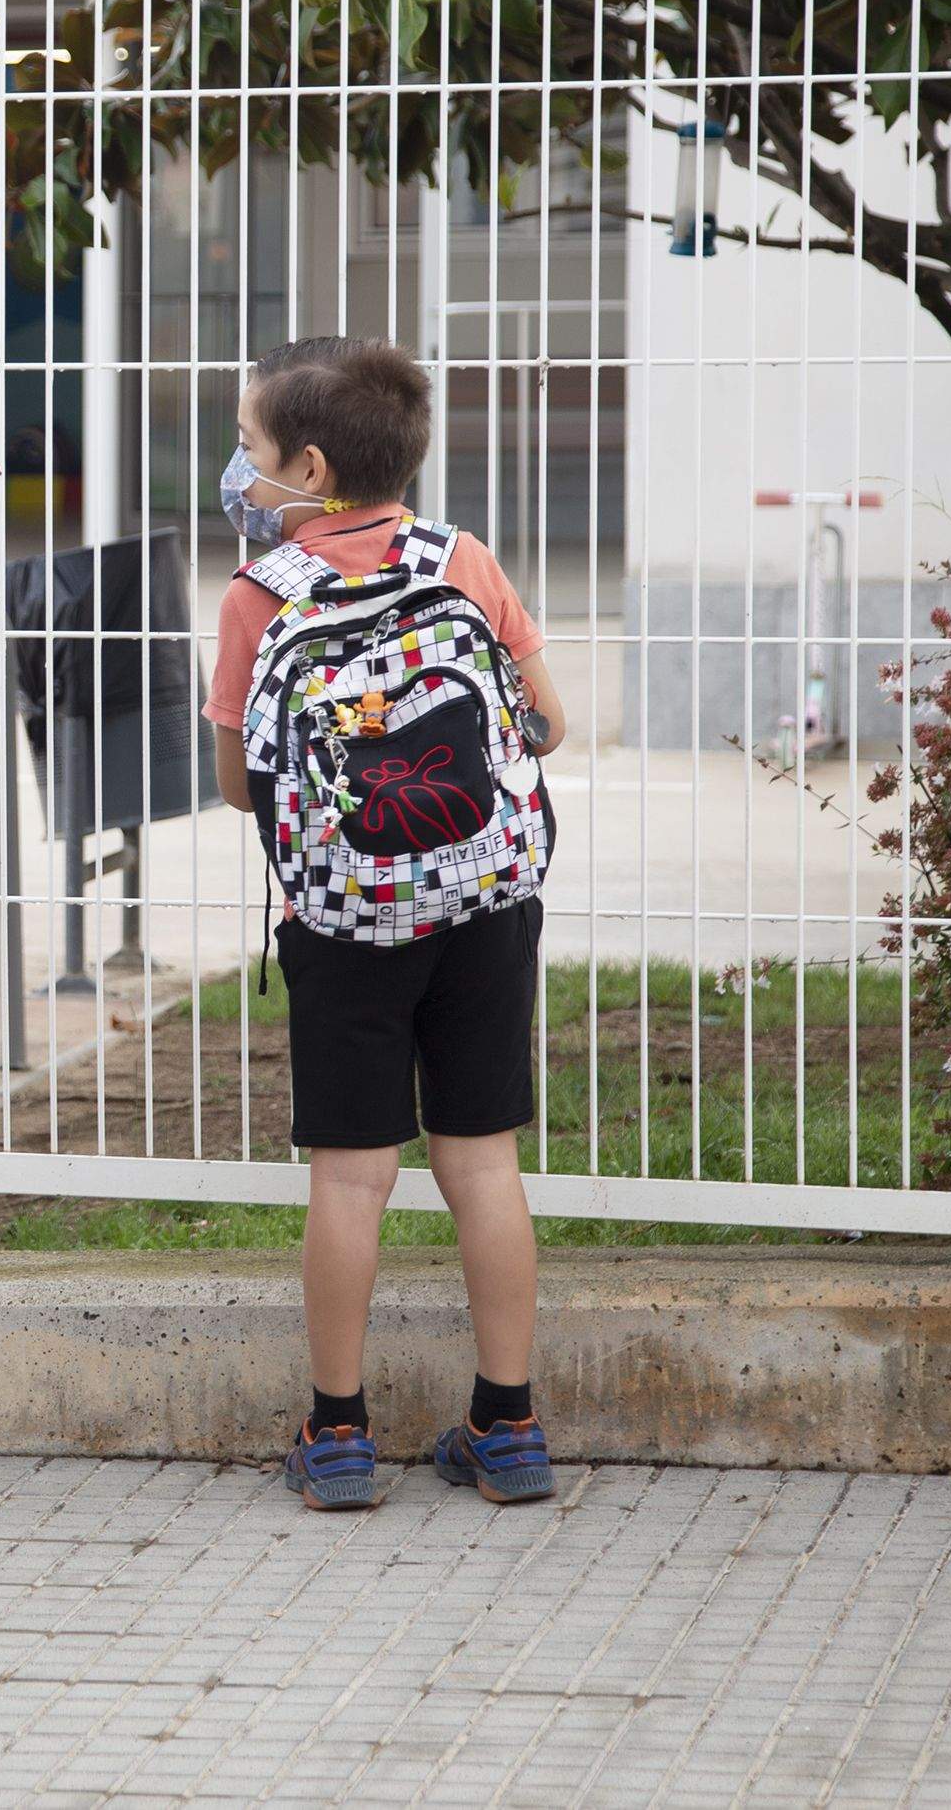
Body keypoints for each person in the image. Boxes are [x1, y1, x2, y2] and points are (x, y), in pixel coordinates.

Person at [204, 336, 572, 1510]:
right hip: (481, 901)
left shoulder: (258, 596)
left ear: (306, 469)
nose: (238, 467)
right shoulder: (462, 559)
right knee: (482, 1162)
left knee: (351, 1179)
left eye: (249, 447)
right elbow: (546, 724)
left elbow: (237, 786)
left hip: (343, 919)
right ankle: (507, 1426)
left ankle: (337, 1436)